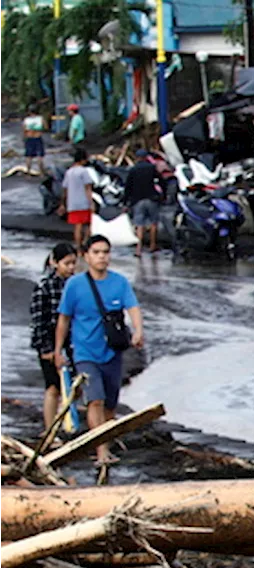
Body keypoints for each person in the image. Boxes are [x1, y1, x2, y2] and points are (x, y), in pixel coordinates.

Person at [54, 235, 143, 468]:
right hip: (84, 351)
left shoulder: (119, 282)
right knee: (95, 400)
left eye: (105, 252)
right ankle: (101, 450)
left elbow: (132, 307)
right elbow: (64, 319)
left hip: (112, 352)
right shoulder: (75, 285)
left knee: (111, 403)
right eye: (96, 252)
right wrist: (57, 351)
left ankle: (105, 439)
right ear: (86, 255)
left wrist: (138, 331)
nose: (102, 256)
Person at [30, 243, 78, 431]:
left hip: (74, 342)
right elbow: (38, 320)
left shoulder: (76, 284)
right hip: (49, 342)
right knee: (53, 387)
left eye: (74, 263)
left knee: (75, 385)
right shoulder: (44, 287)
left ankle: (68, 421)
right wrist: (46, 349)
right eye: (67, 263)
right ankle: (50, 429)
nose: (71, 268)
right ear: (54, 262)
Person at [124, 149, 162, 255]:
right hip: (151, 199)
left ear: (137, 158)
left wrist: (125, 202)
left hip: (138, 200)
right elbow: (161, 180)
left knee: (139, 224)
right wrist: (162, 195)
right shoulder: (151, 168)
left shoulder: (133, 169)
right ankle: (152, 245)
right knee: (153, 223)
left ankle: (138, 249)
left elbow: (128, 187)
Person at [60, 148, 94, 250]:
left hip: (72, 203)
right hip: (83, 202)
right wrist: (91, 202)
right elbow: (88, 188)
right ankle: (85, 243)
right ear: (82, 160)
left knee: (77, 227)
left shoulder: (69, 172)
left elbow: (65, 189)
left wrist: (63, 203)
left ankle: (78, 247)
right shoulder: (84, 171)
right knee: (88, 224)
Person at [23, 105, 46, 174]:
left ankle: (28, 172)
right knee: (39, 156)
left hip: (29, 138)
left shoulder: (26, 120)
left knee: (28, 156)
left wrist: (24, 138)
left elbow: (24, 130)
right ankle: (41, 172)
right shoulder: (40, 119)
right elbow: (45, 127)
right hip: (37, 138)